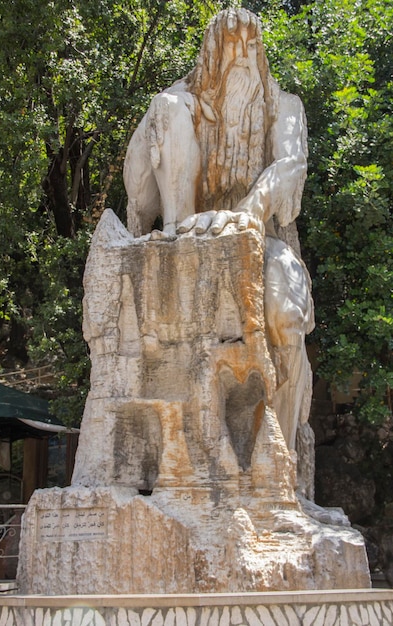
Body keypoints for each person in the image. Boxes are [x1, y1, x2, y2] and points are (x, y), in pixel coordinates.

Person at [123, 8, 314, 450]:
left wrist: (251, 208)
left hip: (260, 237)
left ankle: (279, 466)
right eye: (233, 45)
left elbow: (290, 165)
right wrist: (160, 115)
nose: (244, 56)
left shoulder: (284, 107)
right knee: (167, 107)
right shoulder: (182, 102)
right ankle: (179, 229)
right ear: (212, 52)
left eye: (252, 46)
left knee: (286, 318)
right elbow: (136, 189)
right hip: (195, 235)